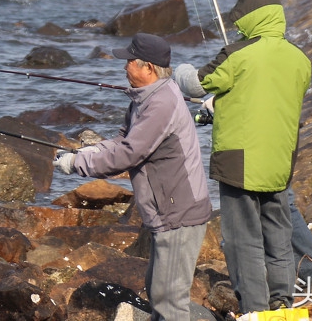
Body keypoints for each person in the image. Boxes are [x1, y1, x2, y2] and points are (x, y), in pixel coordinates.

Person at [172, 0, 311, 317]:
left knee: (242, 239)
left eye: (240, 21)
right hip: (280, 160)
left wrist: (179, 69)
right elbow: (266, 94)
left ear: (251, 19)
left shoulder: (237, 54)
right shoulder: (300, 59)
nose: (236, 28)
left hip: (239, 162)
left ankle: (254, 308)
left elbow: (195, 83)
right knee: (278, 236)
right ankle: (281, 303)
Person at [54, 34, 212, 321]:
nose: (124, 66)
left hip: (178, 213)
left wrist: (78, 164)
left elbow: (129, 154)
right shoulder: (145, 98)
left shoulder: (161, 104)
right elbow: (123, 140)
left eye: (129, 61)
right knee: (157, 290)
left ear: (148, 67)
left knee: (168, 300)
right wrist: (88, 151)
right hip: (166, 211)